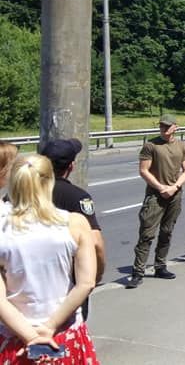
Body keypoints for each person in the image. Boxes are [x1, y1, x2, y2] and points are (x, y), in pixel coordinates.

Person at [0, 155, 98, 363]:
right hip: (64, 333)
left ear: (13, 183)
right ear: (50, 181)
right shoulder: (76, 223)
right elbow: (86, 283)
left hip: (13, 337)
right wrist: (50, 327)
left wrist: (31, 337)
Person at [39, 138, 106, 323]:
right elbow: (96, 243)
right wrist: (95, 274)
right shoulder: (77, 197)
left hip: (24, 282)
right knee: (66, 335)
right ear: (71, 166)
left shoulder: (21, 193)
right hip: (68, 283)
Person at [127, 115, 185, 289]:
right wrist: (161, 187)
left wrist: (175, 186)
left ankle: (160, 266)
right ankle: (138, 271)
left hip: (175, 194)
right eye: (162, 126)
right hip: (156, 195)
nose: (163, 129)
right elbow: (143, 170)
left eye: (167, 126)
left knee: (167, 232)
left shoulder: (182, 146)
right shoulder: (151, 145)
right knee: (147, 234)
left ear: (175, 127)